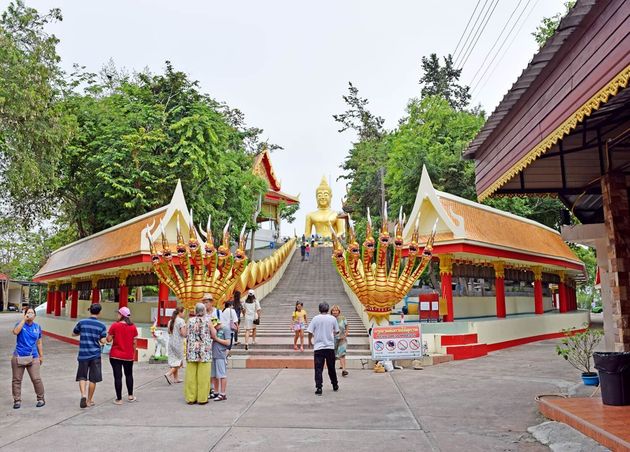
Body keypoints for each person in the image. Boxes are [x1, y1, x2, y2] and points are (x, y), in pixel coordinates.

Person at [72, 303, 107, 408]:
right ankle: (89, 400)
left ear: (90, 311)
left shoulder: (82, 323)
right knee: (93, 379)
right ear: (99, 312)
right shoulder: (101, 326)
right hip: (95, 355)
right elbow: (103, 341)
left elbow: (74, 333)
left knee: (82, 376)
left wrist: (82, 333)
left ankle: (83, 395)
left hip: (83, 354)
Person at [11, 306, 45, 409]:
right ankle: (17, 400)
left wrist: (41, 356)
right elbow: (15, 332)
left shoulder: (37, 327)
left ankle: (41, 398)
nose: (30, 314)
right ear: (25, 314)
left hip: (33, 356)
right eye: (28, 313)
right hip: (19, 355)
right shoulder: (20, 324)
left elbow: (39, 342)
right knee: (17, 379)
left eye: (32, 313)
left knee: (36, 379)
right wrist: (24, 320)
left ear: (35, 315)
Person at [106, 307, 138, 404]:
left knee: (118, 376)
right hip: (128, 355)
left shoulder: (115, 326)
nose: (117, 315)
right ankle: (130, 396)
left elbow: (108, 340)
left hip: (115, 355)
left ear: (122, 315)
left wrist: (110, 334)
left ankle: (119, 399)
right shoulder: (133, 327)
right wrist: (133, 353)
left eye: (118, 314)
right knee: (129, 375)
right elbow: (134, 342)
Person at [185, 303, 215, 404]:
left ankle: (190, 398)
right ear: (204, 311)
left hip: (192, 351)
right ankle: (202, 399)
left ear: (195, 311)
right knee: (203, 376)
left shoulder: (190, 321)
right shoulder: (208, 321)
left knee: (191, 376)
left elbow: (185, 334)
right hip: (204, 352)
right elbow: (214, 334)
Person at [307, 302, 339, 396]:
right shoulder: (332, 318)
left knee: (318, 368)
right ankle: (335, 384)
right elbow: (337, 331)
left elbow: (309, 331)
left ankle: (319, 387)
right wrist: (330, 334)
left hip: (318, 348)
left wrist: (309, 341)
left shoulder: (315, 318)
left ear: (319, 309)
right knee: (331, 367)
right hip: (329, 347)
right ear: (328, 309)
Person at [210, 317, 232, 401]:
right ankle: (216, 392)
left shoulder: (225, 329)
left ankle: (223, 393)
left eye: (215, 326)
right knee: (214, 375)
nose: (215, 328)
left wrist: (216, 339)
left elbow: (228, 342)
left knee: (222, 374)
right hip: (214, 354)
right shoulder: (215, 330)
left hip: (220, 354)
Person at [165, 306, 186, 384]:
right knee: (179, 361)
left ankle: (176, 378)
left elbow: (168, 331)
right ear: (180, 312)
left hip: (171, 342)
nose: (184, 314)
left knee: (174, 360)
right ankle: (169, 374)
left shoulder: (170, 321)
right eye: (183, 312)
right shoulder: (181, 321)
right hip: (178, 343)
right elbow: (183, 334)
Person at [331, 305, 349, 377]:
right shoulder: (330, 319)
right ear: (331, 312)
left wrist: (346, 333)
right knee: (333, 355)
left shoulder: (343, 318)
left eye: (336, 310)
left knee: (342, 353)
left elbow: (347, 325)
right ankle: (332, 370)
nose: (335, 312)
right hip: (333, 339)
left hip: (342, 338)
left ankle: (344, 370)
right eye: (333, 310)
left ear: (339, 311)